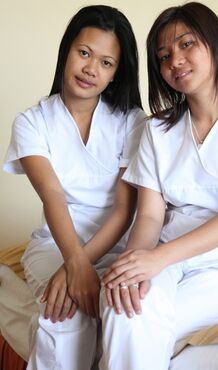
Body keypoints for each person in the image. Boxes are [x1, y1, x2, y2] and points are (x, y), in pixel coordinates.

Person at [100, 2, 218, 369]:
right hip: (171, 258)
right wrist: (135, 265)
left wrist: (156, 259)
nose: (174, 61)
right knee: (124, 306)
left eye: (186, 45)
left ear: (215, 45)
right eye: (164, 56)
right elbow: (149, 215)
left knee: (141, 322)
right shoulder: (155, 130)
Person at [3, 5, 146, 370]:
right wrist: (74, 261)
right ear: (67, 51)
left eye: (106, 63)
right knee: (65, 316)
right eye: (84, 53)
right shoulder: (33, 122)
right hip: (56, 242)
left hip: (119, 247)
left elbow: (124, 210)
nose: (90, 69)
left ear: (116, 73)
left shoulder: (132, 122)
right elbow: (53, 195)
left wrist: (80, 266)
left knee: (124, 316)